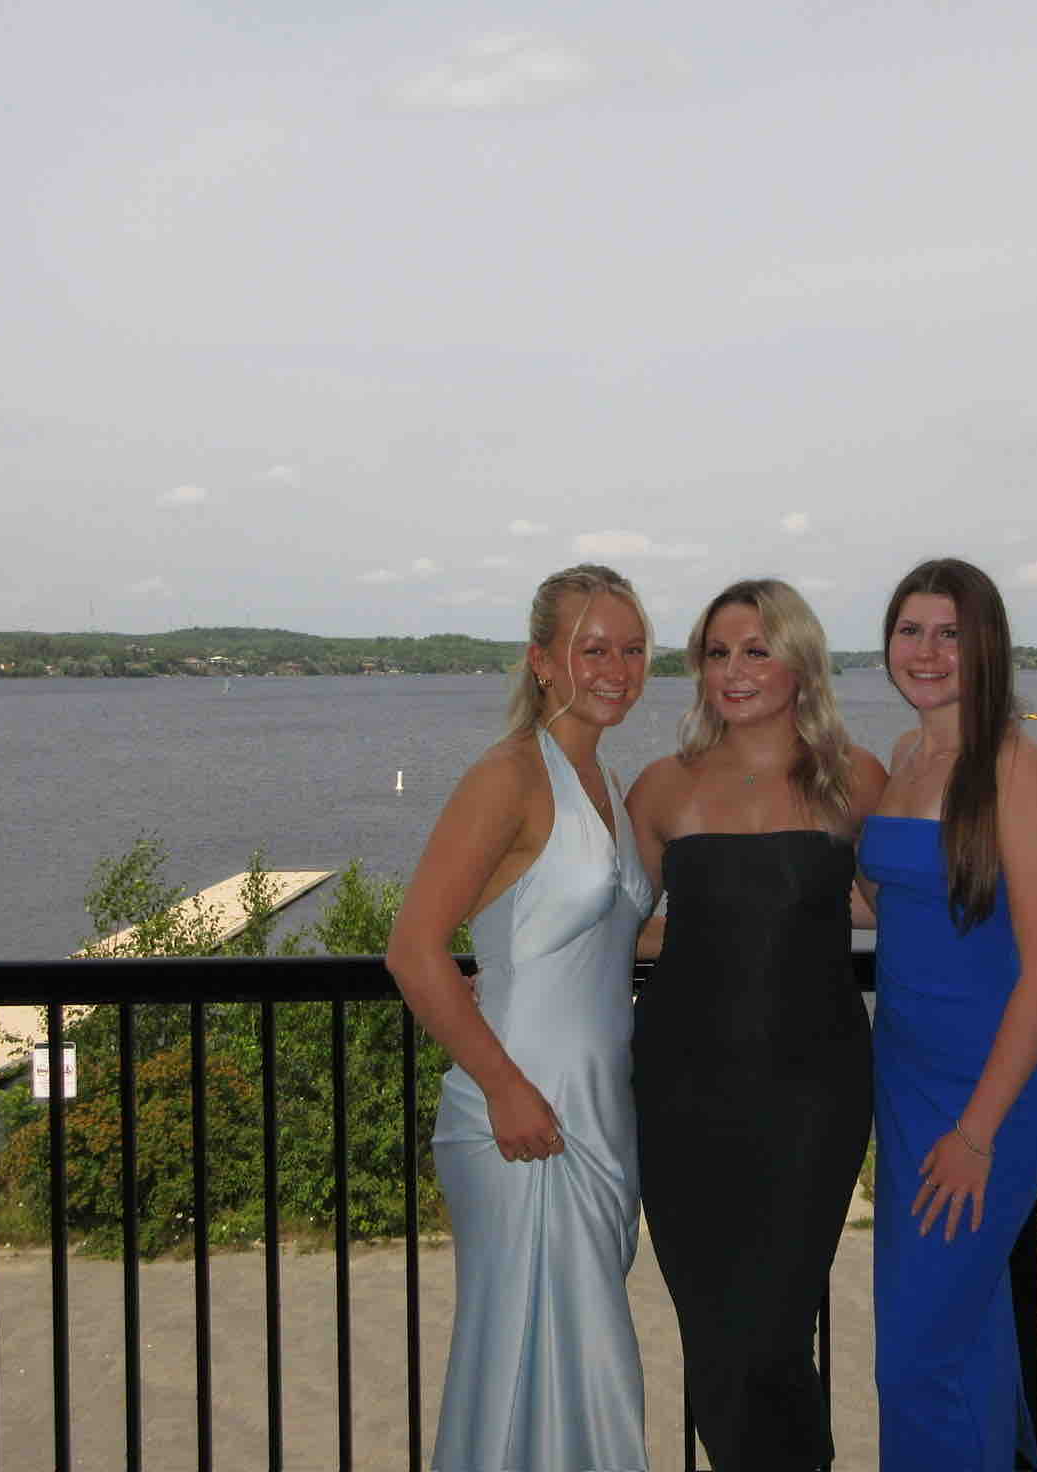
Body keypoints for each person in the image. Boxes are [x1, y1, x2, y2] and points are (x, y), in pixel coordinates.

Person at [384, 564, 656, 1471]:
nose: (616, 669)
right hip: (521, 1114)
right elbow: (414, 949)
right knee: (530, 1366)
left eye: (632, 650)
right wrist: (503, 1088)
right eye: (592, 649)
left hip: (599, 1111)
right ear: (542, 660)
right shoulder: (507, 776)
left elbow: (608, 934)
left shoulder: (604, 779)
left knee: (576, 1367)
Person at [625, 578, 887, 1471]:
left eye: (756, 650)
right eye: (717, 653)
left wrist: (1022, 989)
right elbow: (630, 924)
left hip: (813, 1095)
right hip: (681, 1093)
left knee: (768, 1335)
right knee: (713, 1334)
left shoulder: (854, 777)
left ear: (800, 662)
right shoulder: (661, 787)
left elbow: (909, 911)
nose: (733, 671)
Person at [858, 557, 1037, 1469]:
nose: (927, 651)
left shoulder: (1017, 769)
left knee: (916, 1357)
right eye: (911, 630)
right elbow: (887, 901)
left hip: (988, 1092)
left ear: (987, 646)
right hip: (907, 1078)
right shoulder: (906, 757)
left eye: (950, 633)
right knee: (968, 1333)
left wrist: (978, 1135)